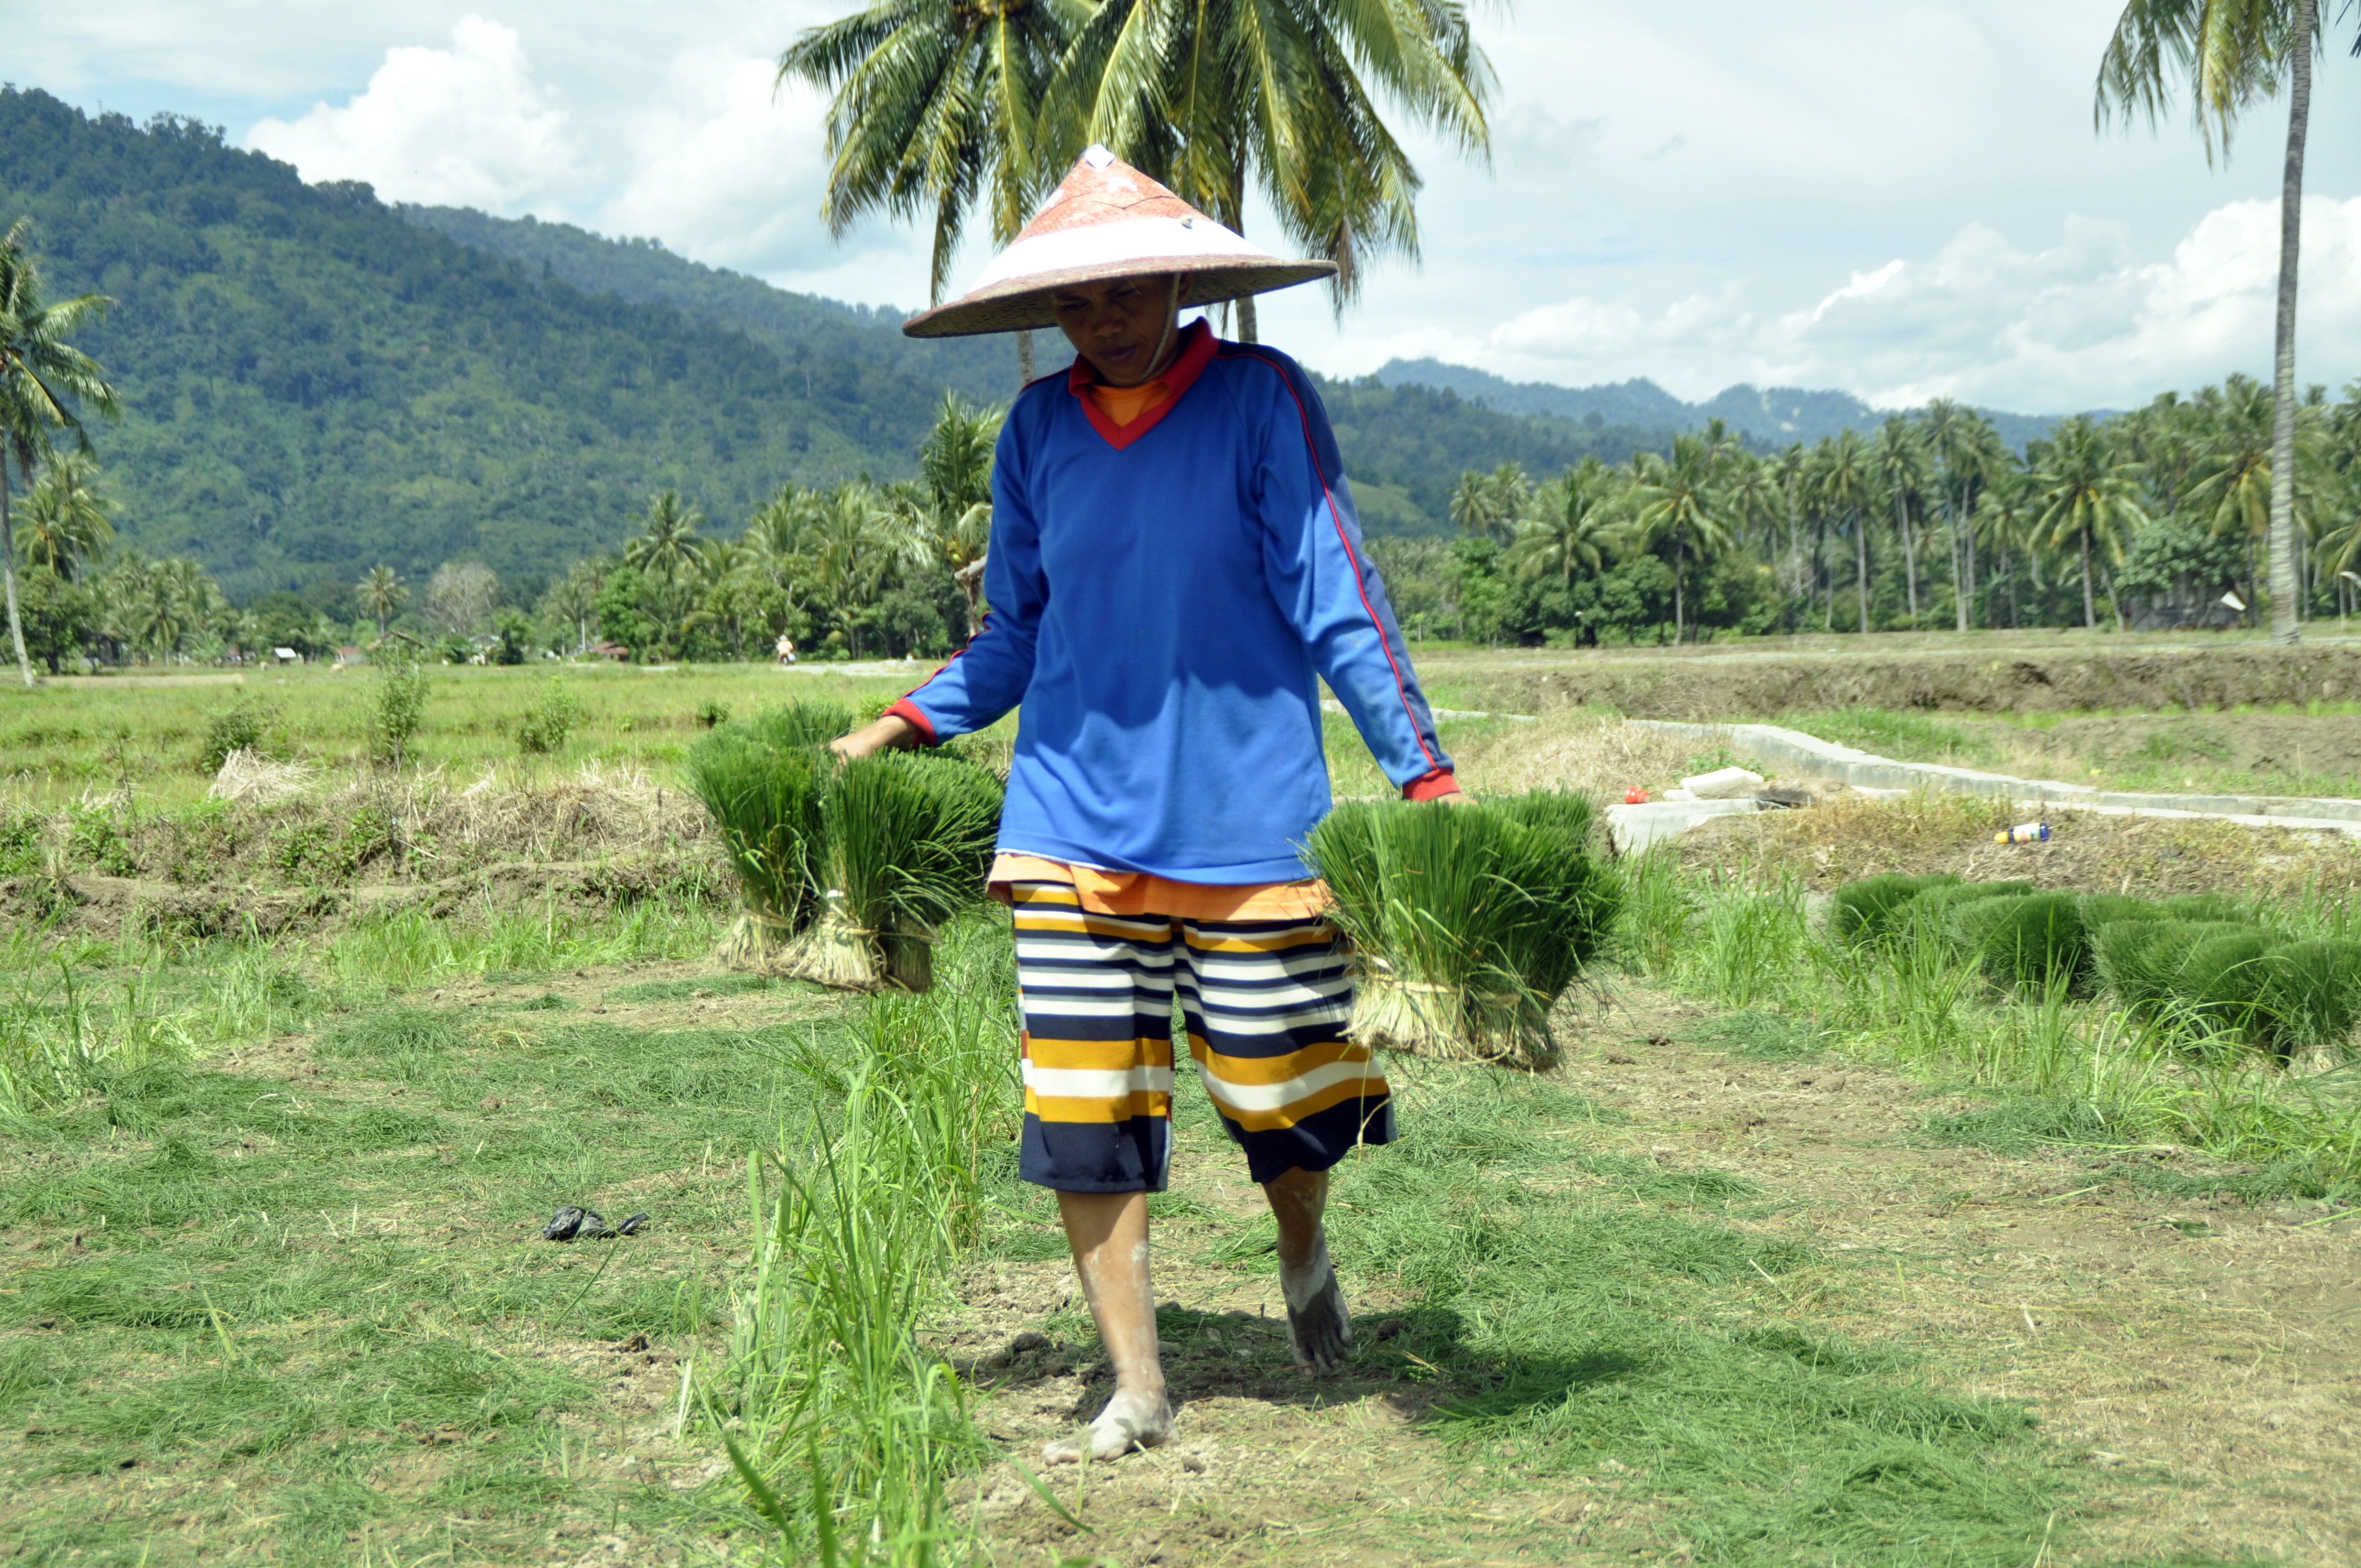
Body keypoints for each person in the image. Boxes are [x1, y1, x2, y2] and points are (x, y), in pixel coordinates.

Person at [830, 147, 1462, 1465]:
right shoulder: (1037, 433)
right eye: (1075, 300)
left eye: (1125, 289)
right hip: (1066, 823)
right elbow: (1013, 635)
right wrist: (903, 719)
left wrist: (1423, 769)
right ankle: (1138, 1387)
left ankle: (1299, 1229)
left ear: (1178, 279)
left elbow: (1333, 592)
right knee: (1084, 1114)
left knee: (1278, 1093)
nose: (1103, 315)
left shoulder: (1258, 399)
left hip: (1250, 829)